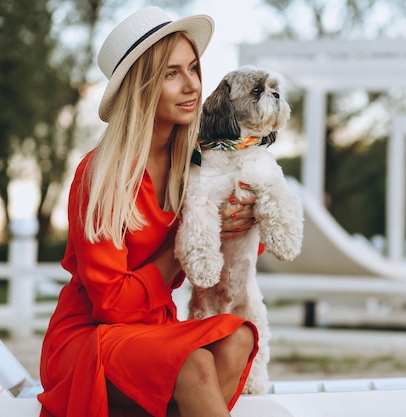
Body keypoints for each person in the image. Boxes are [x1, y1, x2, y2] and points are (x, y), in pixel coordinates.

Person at [38, 7, 259, 417]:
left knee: (238, 338)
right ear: (141, 87)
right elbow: (112, 306)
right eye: (171, 74)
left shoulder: (196, 163)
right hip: (89, 340)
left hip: (154, 333)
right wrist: (182, 245)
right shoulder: (101, 175)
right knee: (193, 364)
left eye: (193, 68)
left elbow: (235, 251)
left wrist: (240, 220)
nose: (192, 85)